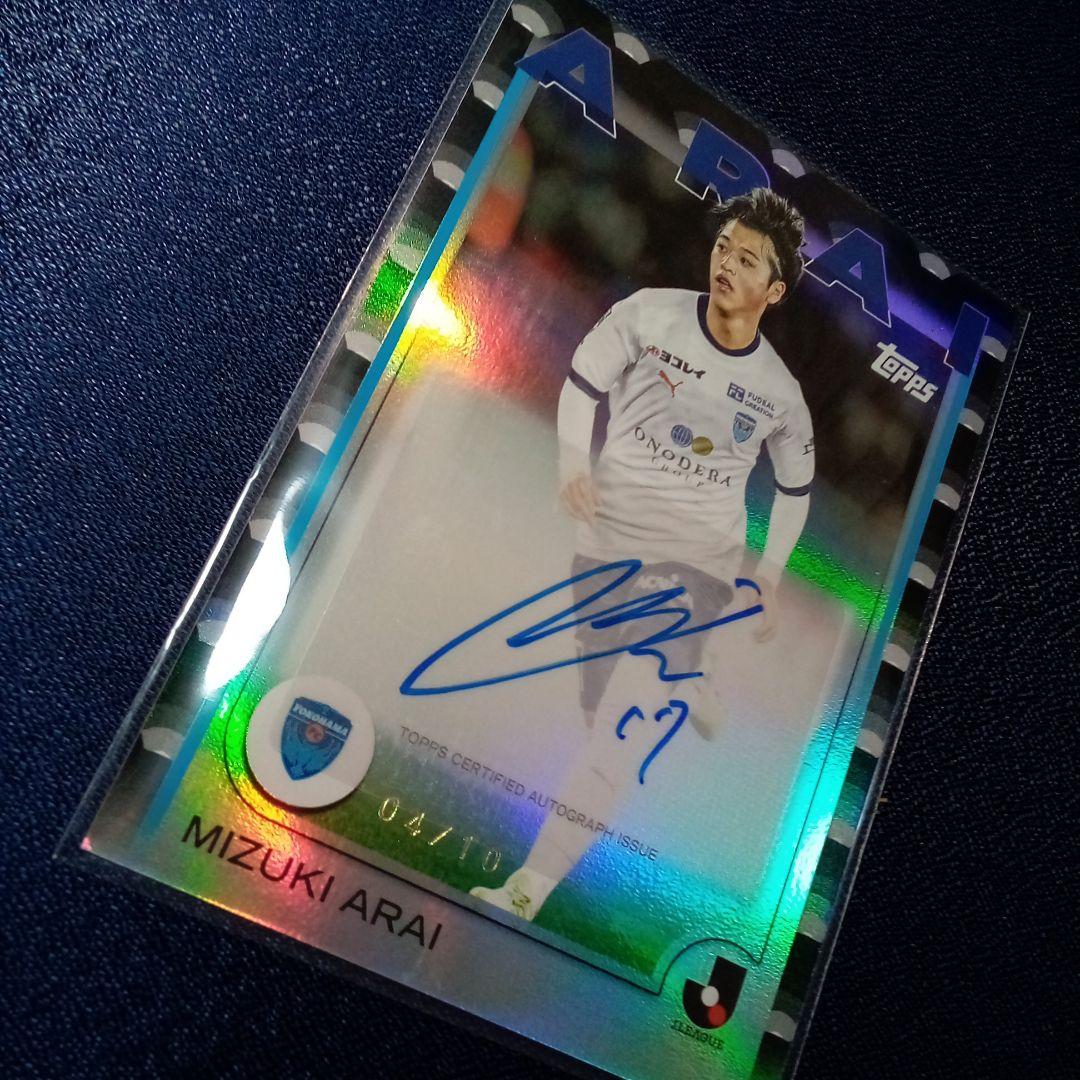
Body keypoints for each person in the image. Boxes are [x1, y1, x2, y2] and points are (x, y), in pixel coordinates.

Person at [471, 187, 814, 921]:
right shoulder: (649, 315)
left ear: (775, 289)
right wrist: (572, 464)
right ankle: (700, 673)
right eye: (723, 247)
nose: (727, 264)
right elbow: (581, 383)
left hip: (697, 568)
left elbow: (796, 489)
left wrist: (769, 575)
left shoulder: (780, 394)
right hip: (608, 549)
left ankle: (528, 890)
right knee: (596, 713)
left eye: (748, 259)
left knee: (618, 738)